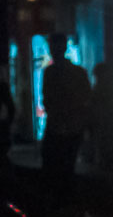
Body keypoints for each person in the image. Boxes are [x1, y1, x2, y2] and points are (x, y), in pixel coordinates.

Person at [39, 33, 91, 186]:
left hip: (56, 125)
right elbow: (86, 96)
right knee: (67, 167)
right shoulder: (78, 71)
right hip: (73, 126)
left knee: (52, 167)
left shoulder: (49, 72)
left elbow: (47, 98)